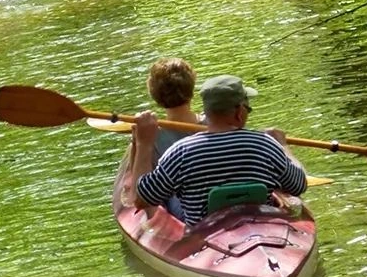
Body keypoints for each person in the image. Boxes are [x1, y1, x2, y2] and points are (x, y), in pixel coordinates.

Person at [121, 75, 308, 225]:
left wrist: (144, 144)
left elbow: (142, 199)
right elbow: (298, 185)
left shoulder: (180, 152)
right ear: (239, 112)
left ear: (207, 111)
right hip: (263, 227)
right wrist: (283, 147)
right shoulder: (266, 144)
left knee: (170, 194)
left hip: (203, 235)